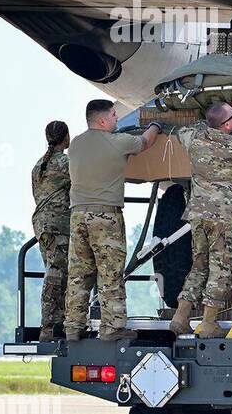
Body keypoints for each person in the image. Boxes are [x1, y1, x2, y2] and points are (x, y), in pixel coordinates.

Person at [63, 100, 161, 342]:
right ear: (102, 120)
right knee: (110, 272)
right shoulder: (118, 142)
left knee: (79, 273)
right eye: (114, 115)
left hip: (77, 215)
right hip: (105, 216)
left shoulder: (75, 144)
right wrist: (156, 125)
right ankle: (112, 327)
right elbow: (145, 142)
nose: (118, 119)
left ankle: (73, 327)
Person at [169, 101, 232, 338]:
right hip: (223, 217)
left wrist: (207, 124)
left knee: (199, 265)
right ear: (227, 125)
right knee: (220, 268)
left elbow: (184, 131)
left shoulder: (194, 138)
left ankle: (180, 317)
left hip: (197, 214)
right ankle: (208, 322)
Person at [30, 121, 71, 337]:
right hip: (59, 225)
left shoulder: (39, 166)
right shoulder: (66, 163)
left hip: (43, 226)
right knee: (58, 274)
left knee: (54, 271)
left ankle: (54, 321)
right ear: (66, 138)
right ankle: (51, 324)